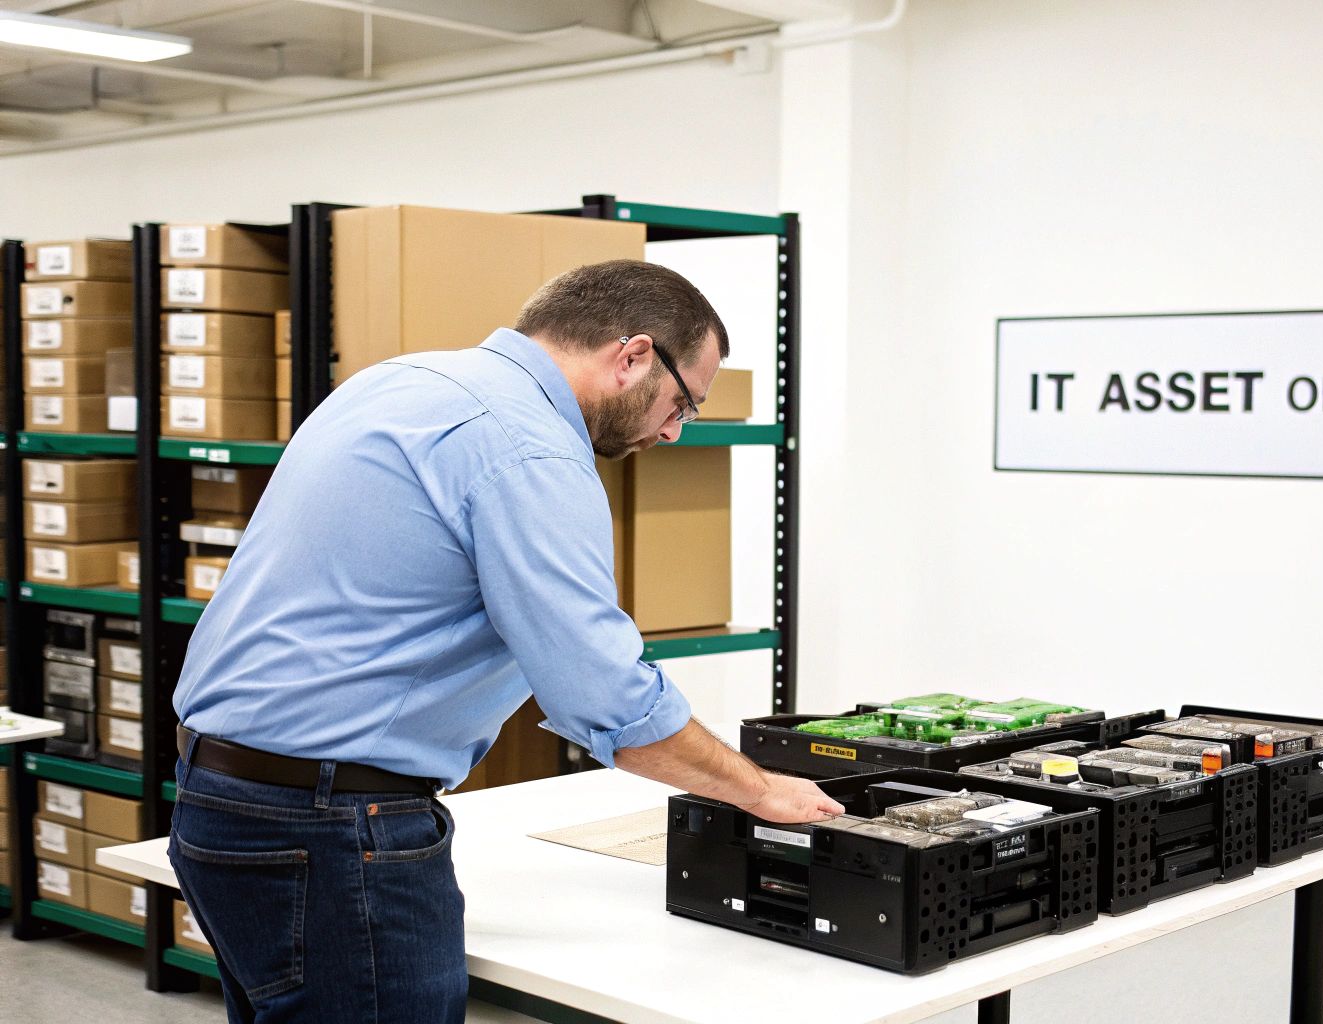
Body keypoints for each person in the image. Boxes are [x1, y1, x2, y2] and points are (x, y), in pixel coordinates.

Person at [168, 260, 842, 1023]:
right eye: (683, 401)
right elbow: (606, 694)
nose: (674, 430)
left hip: (219, 796)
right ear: (632, 357)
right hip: (328, 828)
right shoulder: (529, 450)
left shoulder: (404, 381)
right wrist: (759, 790)